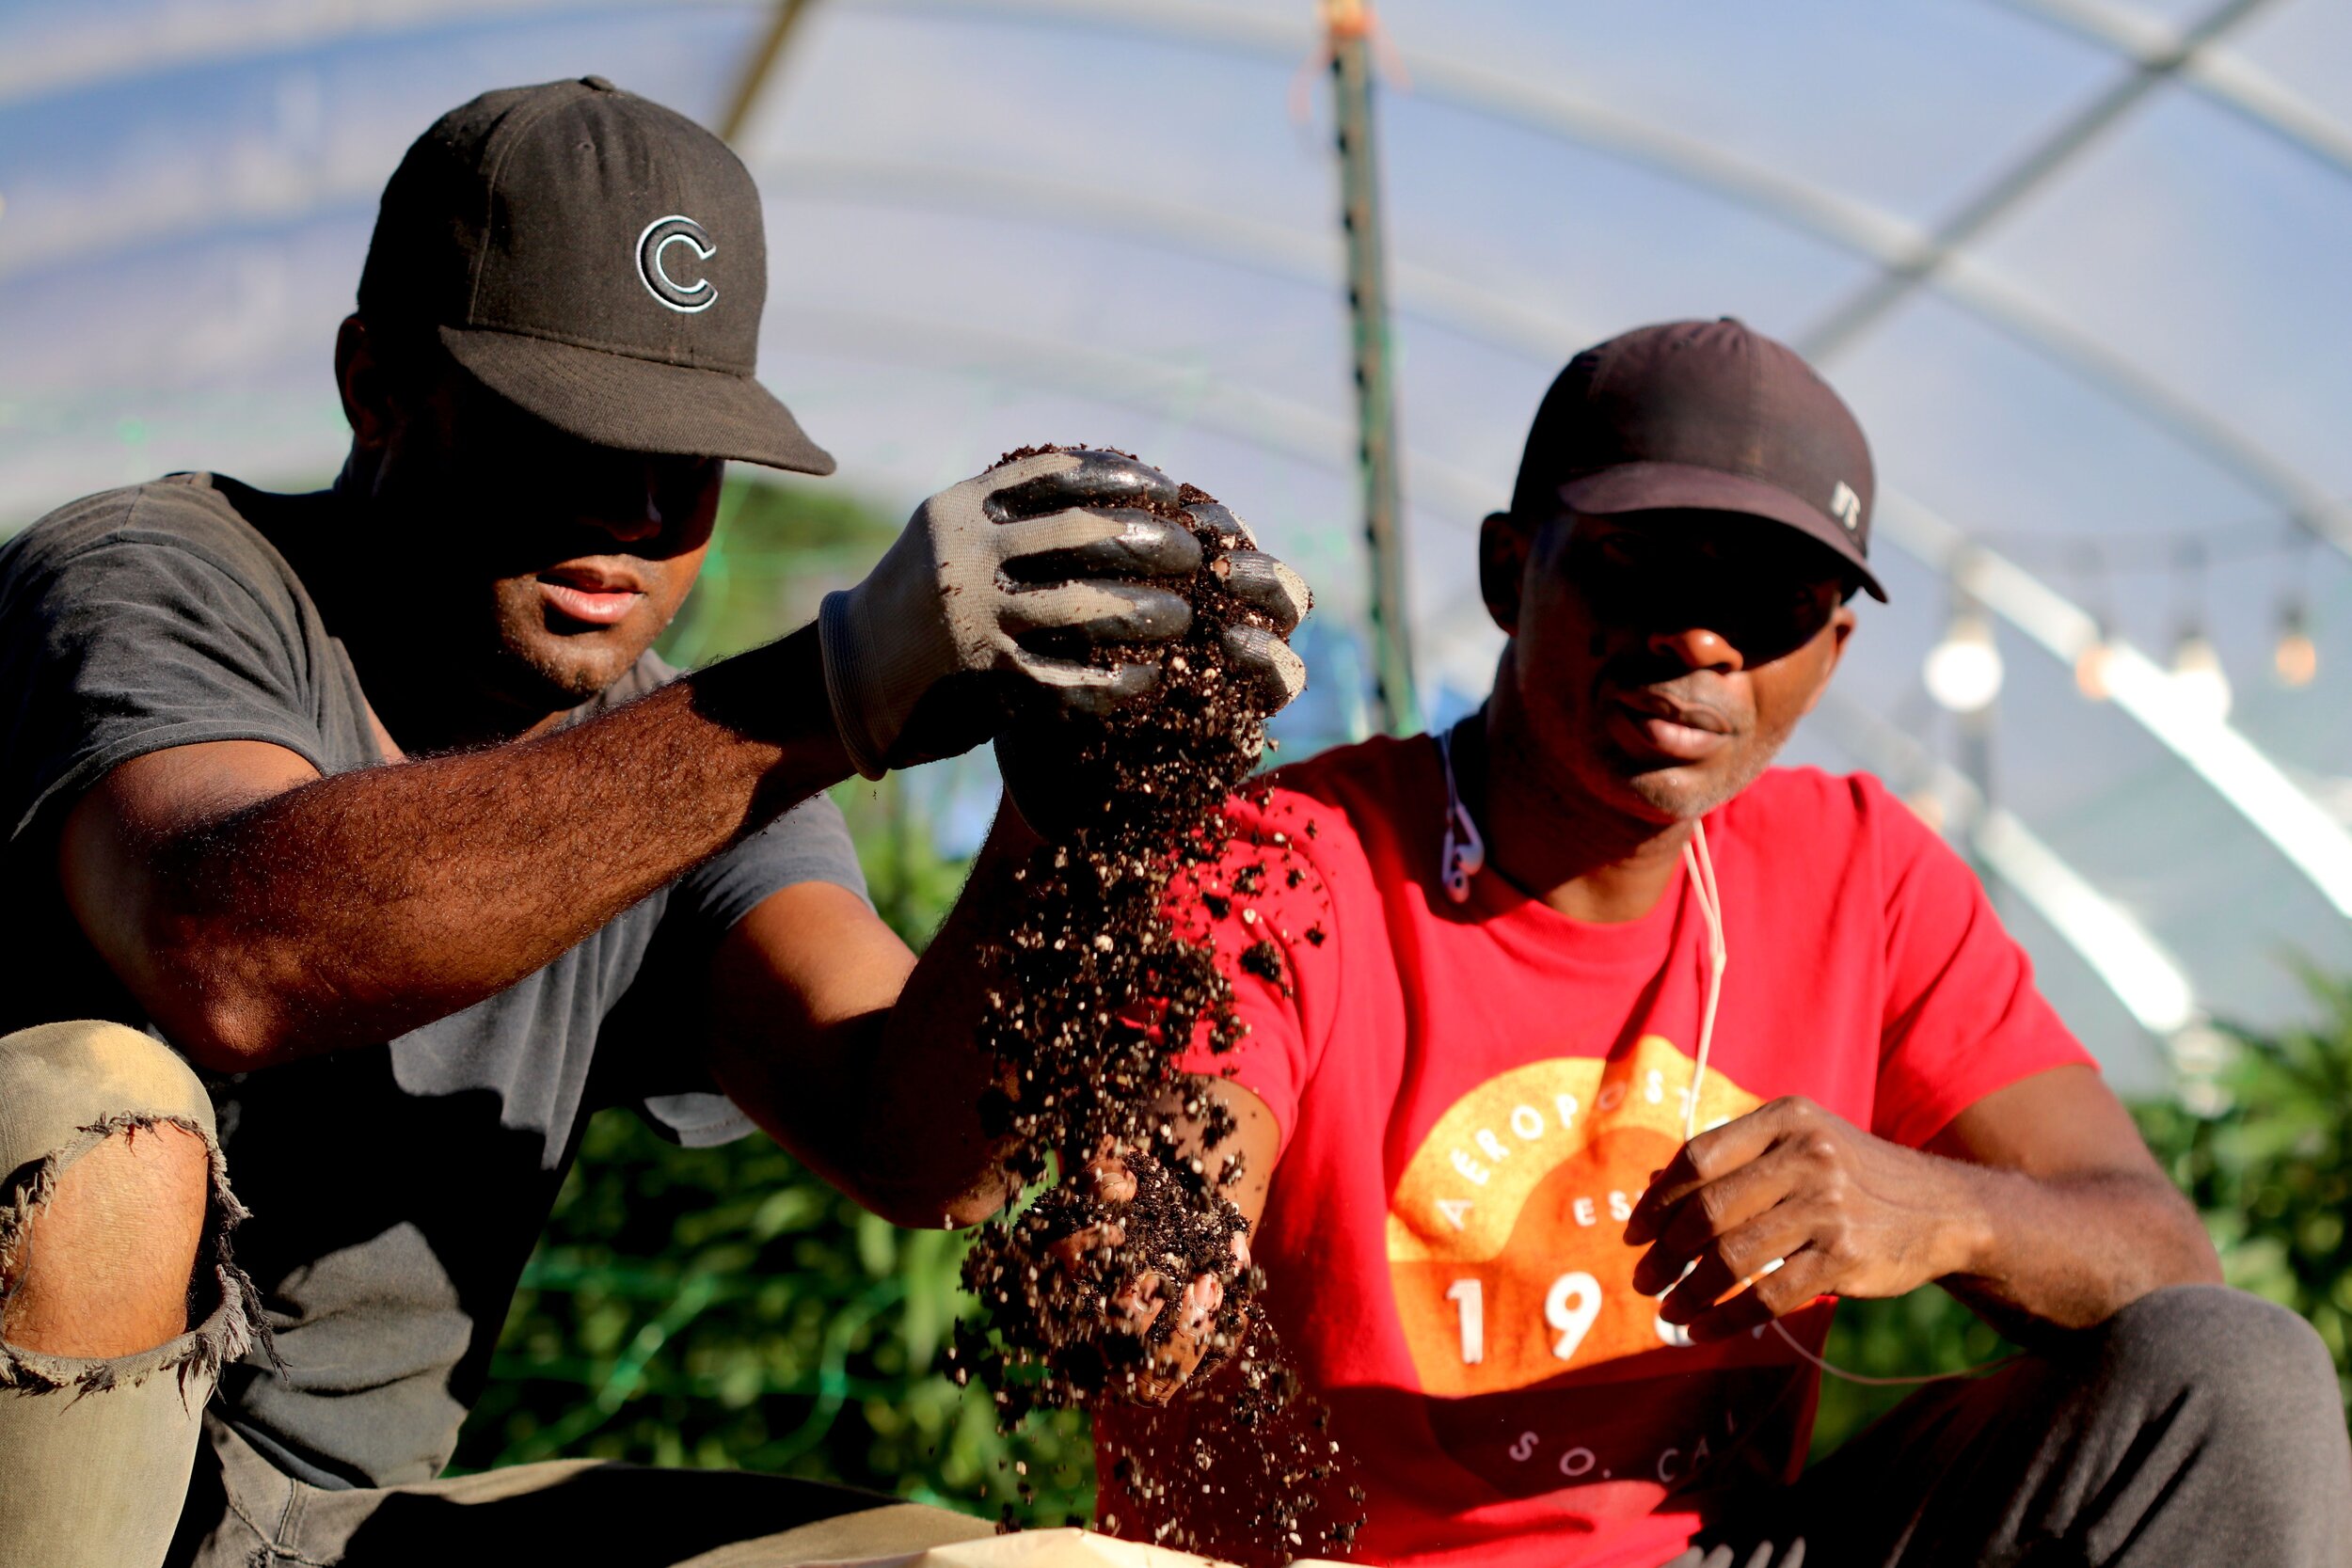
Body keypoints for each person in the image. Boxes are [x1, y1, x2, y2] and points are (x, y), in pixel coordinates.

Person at [0, 77, 1307, 1568]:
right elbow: (229, 946)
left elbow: (908, 1135)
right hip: (35, 1489)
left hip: (329, 1534)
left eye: (685, 460)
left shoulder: (679, 753)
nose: (628, 508)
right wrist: (828, 690)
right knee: (92, 1111)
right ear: (377, 385)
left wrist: (1063, 828)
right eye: (561, 431)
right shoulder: (155, 578)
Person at [1048, 319, 2352, 1567]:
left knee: (2242, 1378)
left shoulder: (1862, 873)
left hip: (1717, 1558)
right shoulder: (1291, 851)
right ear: (1513, 572)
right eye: (1644, 564)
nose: (1704, 639)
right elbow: (1194, 1136)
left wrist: (1942, 1212)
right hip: (1330, 1567)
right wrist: (1162, 1231)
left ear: (1832, 651)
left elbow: (2167, 1264)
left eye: (1776, 601)